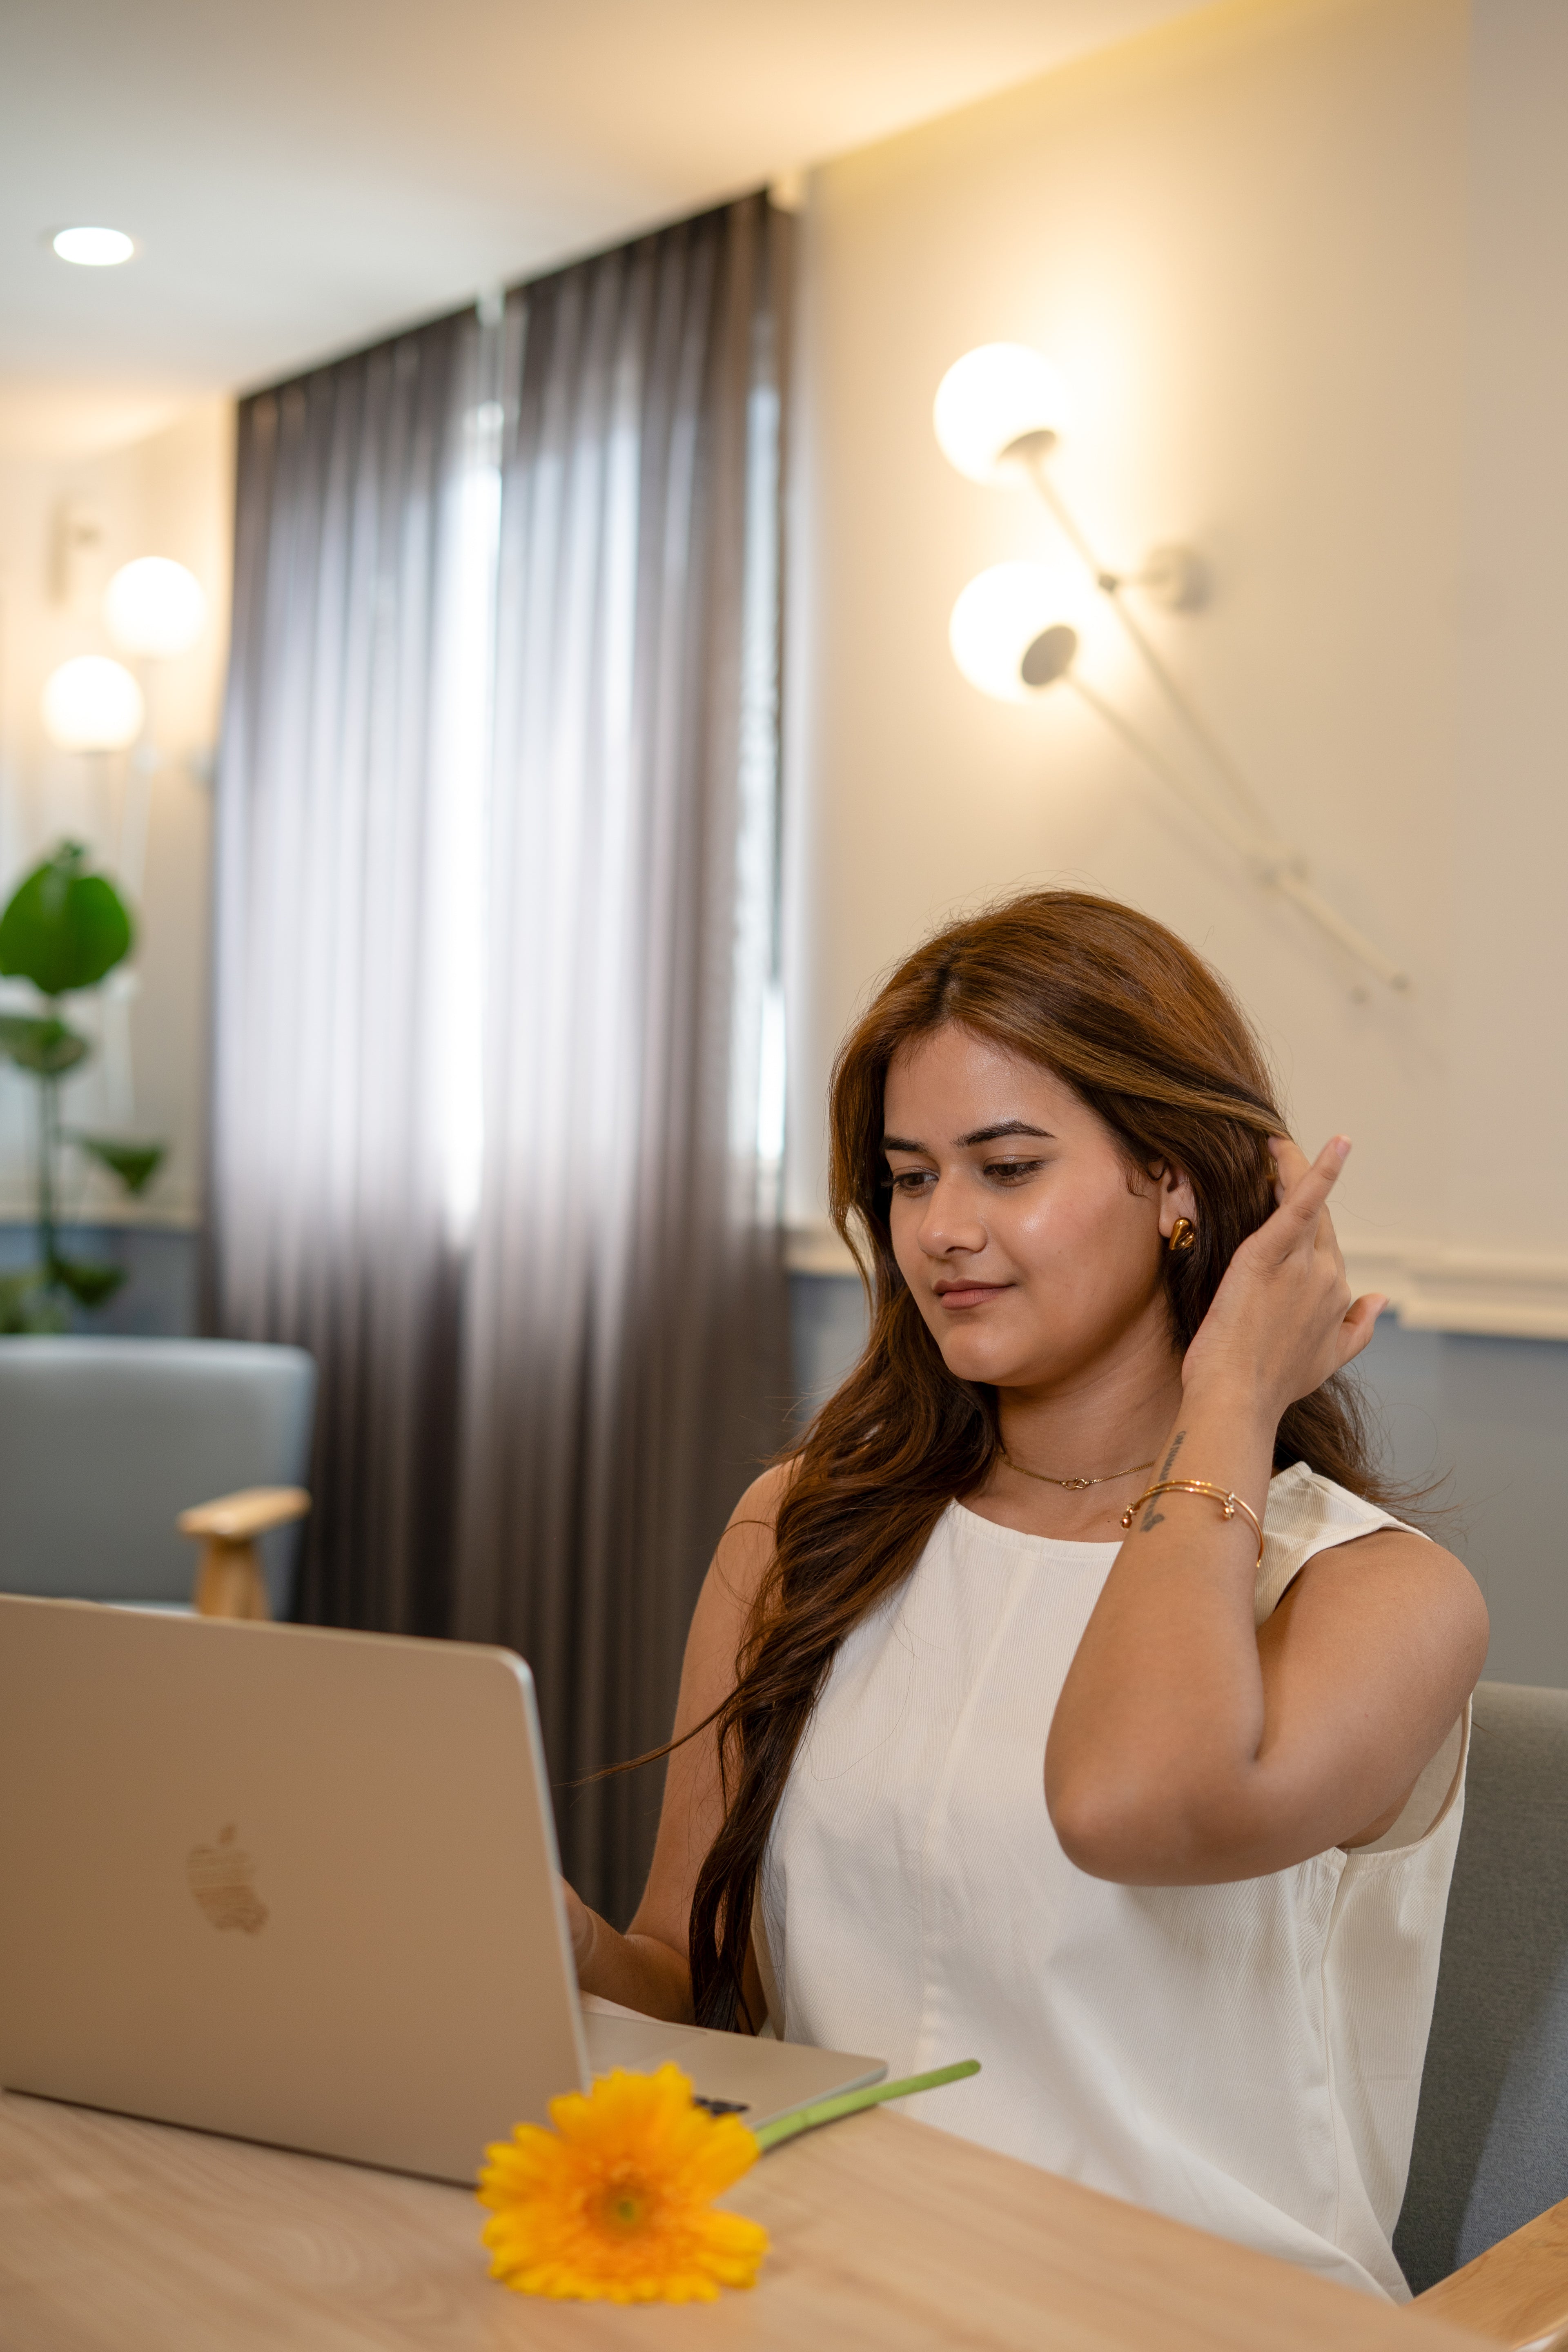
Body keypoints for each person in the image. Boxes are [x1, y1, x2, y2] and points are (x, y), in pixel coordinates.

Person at [563, 889, 1487, 2300]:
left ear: (1177, 1183)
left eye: (1005, 1167)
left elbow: (1126, 1803)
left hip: (1204, 2315)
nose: (941, 1229)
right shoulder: (802, 1530)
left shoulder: (1378, 1597)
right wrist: (514, 1921)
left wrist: (1230, 1395)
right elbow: (684, 1986)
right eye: (912, 1176)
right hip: (833, 2286)